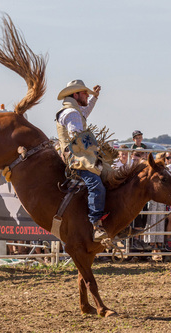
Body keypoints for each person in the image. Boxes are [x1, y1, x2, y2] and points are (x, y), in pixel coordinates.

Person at [55, 79, 107, 242]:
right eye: (85, 93)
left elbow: (85, 111)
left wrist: (95, 97)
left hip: (78, 154)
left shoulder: (73, 111)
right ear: (76, 95)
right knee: (95, 184)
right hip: (76, 157)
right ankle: (96, 224)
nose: (87, 95)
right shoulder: (72, 113)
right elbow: (76, 136)